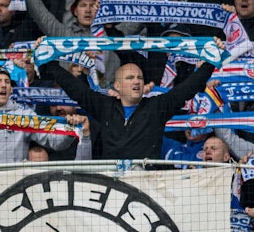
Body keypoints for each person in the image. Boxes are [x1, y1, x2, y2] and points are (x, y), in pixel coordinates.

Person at [40, 59, 216, 160]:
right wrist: (48, 60)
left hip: (145, 185)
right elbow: (76, 89)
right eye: (130, 78)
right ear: (117, 85)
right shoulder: (105, 107)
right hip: (113, 187)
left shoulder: (156, 108)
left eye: (140, 77)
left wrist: (210, 61)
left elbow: (187, 89)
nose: (137, 81)